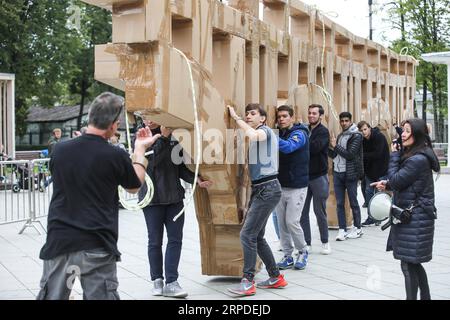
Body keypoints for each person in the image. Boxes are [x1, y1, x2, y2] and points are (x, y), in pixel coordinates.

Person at [36, 92, 161, 300]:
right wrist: (140, 151)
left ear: (90, 117)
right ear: (114, 124)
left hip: (60, 241)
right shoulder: (114, 155)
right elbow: (134, 186)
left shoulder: (60, 150)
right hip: (97, 243)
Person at [140, 120, 212, 299]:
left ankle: (172, 281)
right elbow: (152, 163)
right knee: (155, 241)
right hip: (152, 199)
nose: (149, 119)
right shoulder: (142, 136)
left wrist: (196, 180)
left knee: (175, 240)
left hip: (174, 198)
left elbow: (179, 167)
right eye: (145, 115)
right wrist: (163, 138)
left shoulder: (175, 137)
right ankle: (157, 280)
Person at [372, 118, 439, 300]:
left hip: (414, 218)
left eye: (407, 131)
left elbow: (396, 180)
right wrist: (386, 184)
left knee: (408, 265)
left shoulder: (417, 159)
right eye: (403, 130)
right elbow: (403, 182)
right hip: (414, 217)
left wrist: (394, 156)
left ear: (416, 135)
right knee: (414, 264)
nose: (403, 134)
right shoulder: (416, 155)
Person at [227, 103, 287, 296]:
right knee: (256, 236)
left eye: (252, 113)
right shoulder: (256, 137)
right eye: (247, 114)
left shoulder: (265, 131)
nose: (248, 116)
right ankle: (276, 277)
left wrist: (236, 118)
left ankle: (248, 281)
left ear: (263, 118)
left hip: (268, 189)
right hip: (261, 189)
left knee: (247, 235)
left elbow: (252, 135)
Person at [274, 105, 310, 270]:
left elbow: (289, 147)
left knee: (292, 221)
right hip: (281, 185)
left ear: (292, 117)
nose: (281, 119)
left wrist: (269, 135)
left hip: (297, 186)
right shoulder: (278, 133)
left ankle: (302, 251)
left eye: (284, 116)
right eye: (279, 116)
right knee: (282, 223)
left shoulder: (300, 133)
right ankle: (288, 255)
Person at [300, 104, 331, 254]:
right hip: (304, 177)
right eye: (309, 113)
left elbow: (314, 148)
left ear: (320, 116)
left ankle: (325, 242)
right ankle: (307, 243)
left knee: (319, 211)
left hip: (319, 177)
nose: (311, 115)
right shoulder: (305, 129)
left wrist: (301, 141)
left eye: (314, 113)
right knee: (302, 212)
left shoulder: (323, 132)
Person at [328, 112, 364, 241]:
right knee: (339, 203)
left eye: (346, 121)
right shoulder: (340, 135)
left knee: (353, 202)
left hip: (350, 173)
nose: (344, 123)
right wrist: (328, 148)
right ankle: (342, 229)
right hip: (338, 173)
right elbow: (336, 155)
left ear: (350, 121)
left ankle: (358, 228)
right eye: (342, 121)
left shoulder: (357, 136)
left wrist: (335, 146)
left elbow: (350, 155)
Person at [357, 121, 390, 226]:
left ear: (369, 128)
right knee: (369, 193)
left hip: (382, 170)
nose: (363, 132)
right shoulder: (362, 140)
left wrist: (362, 155)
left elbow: (377, 154)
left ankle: (381, 216)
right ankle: (372, 217)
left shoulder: (379, 137)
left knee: (381, 195)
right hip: (370, 172)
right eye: (361, 130)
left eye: (365, 129)